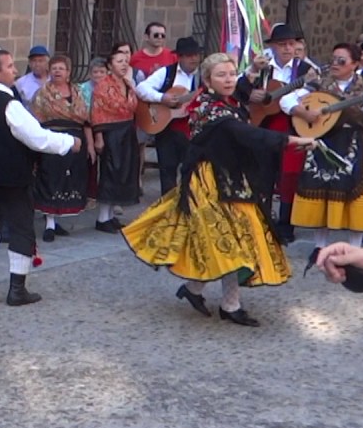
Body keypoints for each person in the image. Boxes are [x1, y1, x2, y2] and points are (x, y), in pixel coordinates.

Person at [123, 53, 317, 326]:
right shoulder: (212, 110)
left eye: (231, 73)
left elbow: (241, 90)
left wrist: (251, 70)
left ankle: (202, 293)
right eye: (221, 75)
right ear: (207, 81)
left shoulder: (220, 99)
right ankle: (226, 303)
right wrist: (290, 140)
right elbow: (246, 133)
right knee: (232, 240)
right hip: (209, 183)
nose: (228, 79)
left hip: (230, 177)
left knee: (235, 240)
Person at [0, 49, 80, 306]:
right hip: (9, 175)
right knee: (21, 226)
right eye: (10, 66)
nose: (15, 70)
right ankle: (17, 289)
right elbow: (37, 138)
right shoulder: (9, 104)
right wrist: (69, 142)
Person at [282, 43, 363, 250]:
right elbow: (286, 99)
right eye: (334, 59)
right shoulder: (318, 82)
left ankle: (354, 247)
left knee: (355, 191)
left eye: (341, 61)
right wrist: (302, 113)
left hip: (353, 140)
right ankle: (320, 246)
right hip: (324, 139)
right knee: (322, 189)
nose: (335, 64)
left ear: (354, 64)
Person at [236, 22, 317, 244]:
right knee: (263, 175)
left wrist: (291, 98)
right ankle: (262, 220)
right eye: (282, 44)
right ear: (273, 47)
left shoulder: (306, 69)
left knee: (289, 176)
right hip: (263, 126)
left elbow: (311, 93)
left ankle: (285, 225)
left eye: (291, 44)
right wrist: (251, 88)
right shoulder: (262, 66)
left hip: (293, 127)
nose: (288, 48)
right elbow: (239, 89)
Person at [29, 55, 94, 241]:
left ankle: (57, 221)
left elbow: (87, 120)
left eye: (61, 68)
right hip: (52, 139)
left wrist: (89, 144)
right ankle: (49, 223)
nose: (57, 71)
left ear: (68, 72)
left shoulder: (78, 92)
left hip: (76, 140)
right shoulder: (43, 93)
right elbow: (36, 120)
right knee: (51, 177)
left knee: (70, 178)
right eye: (54, 68)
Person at [136, 37, 204, 196]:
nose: (194, 58)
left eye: (196, 55)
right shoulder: (166, 72)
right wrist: (162, 98)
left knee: (193, 170)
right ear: (179, 57)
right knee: (167, 170)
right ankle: (168, 207)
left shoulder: (203, 77)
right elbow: (141, 88)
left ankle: (188, 205)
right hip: (167, 129)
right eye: (189, 55)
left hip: (193, 131)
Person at [89, 47, 142, 232]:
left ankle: (110, 216)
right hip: (110, 132)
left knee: (123, 173)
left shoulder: (127, 84)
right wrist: (98, 137)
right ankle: (102, 218)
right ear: (110, 66)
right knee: (110, 173)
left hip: (127, 131)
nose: (124, 64)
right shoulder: (104, 85)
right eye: (119, 61)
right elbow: (97, 112)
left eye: (125, 61)